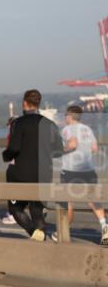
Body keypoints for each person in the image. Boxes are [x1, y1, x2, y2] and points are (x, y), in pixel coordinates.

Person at [2, 89, 64, 242]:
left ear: (24, 103)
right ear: (38, 103)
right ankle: (40, 239)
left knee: (15, 209)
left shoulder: (18, 123)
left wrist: (6, 155)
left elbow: (14, 148)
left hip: (21, 175)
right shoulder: (50, 124)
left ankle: (34, 232)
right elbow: (59, 151)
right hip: (43, 174)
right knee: (37, 209)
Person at [60, 104, 106, 244]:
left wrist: (63, 149)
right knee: (93, 200)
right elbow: (94, 148)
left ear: (70, 116)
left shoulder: (67, 129)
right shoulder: (87, 129)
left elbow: (72, 145)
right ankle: (105, 227)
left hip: (71, 170)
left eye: (65, 115)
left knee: (67, 202)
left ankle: (62, 232)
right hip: (89, 170)